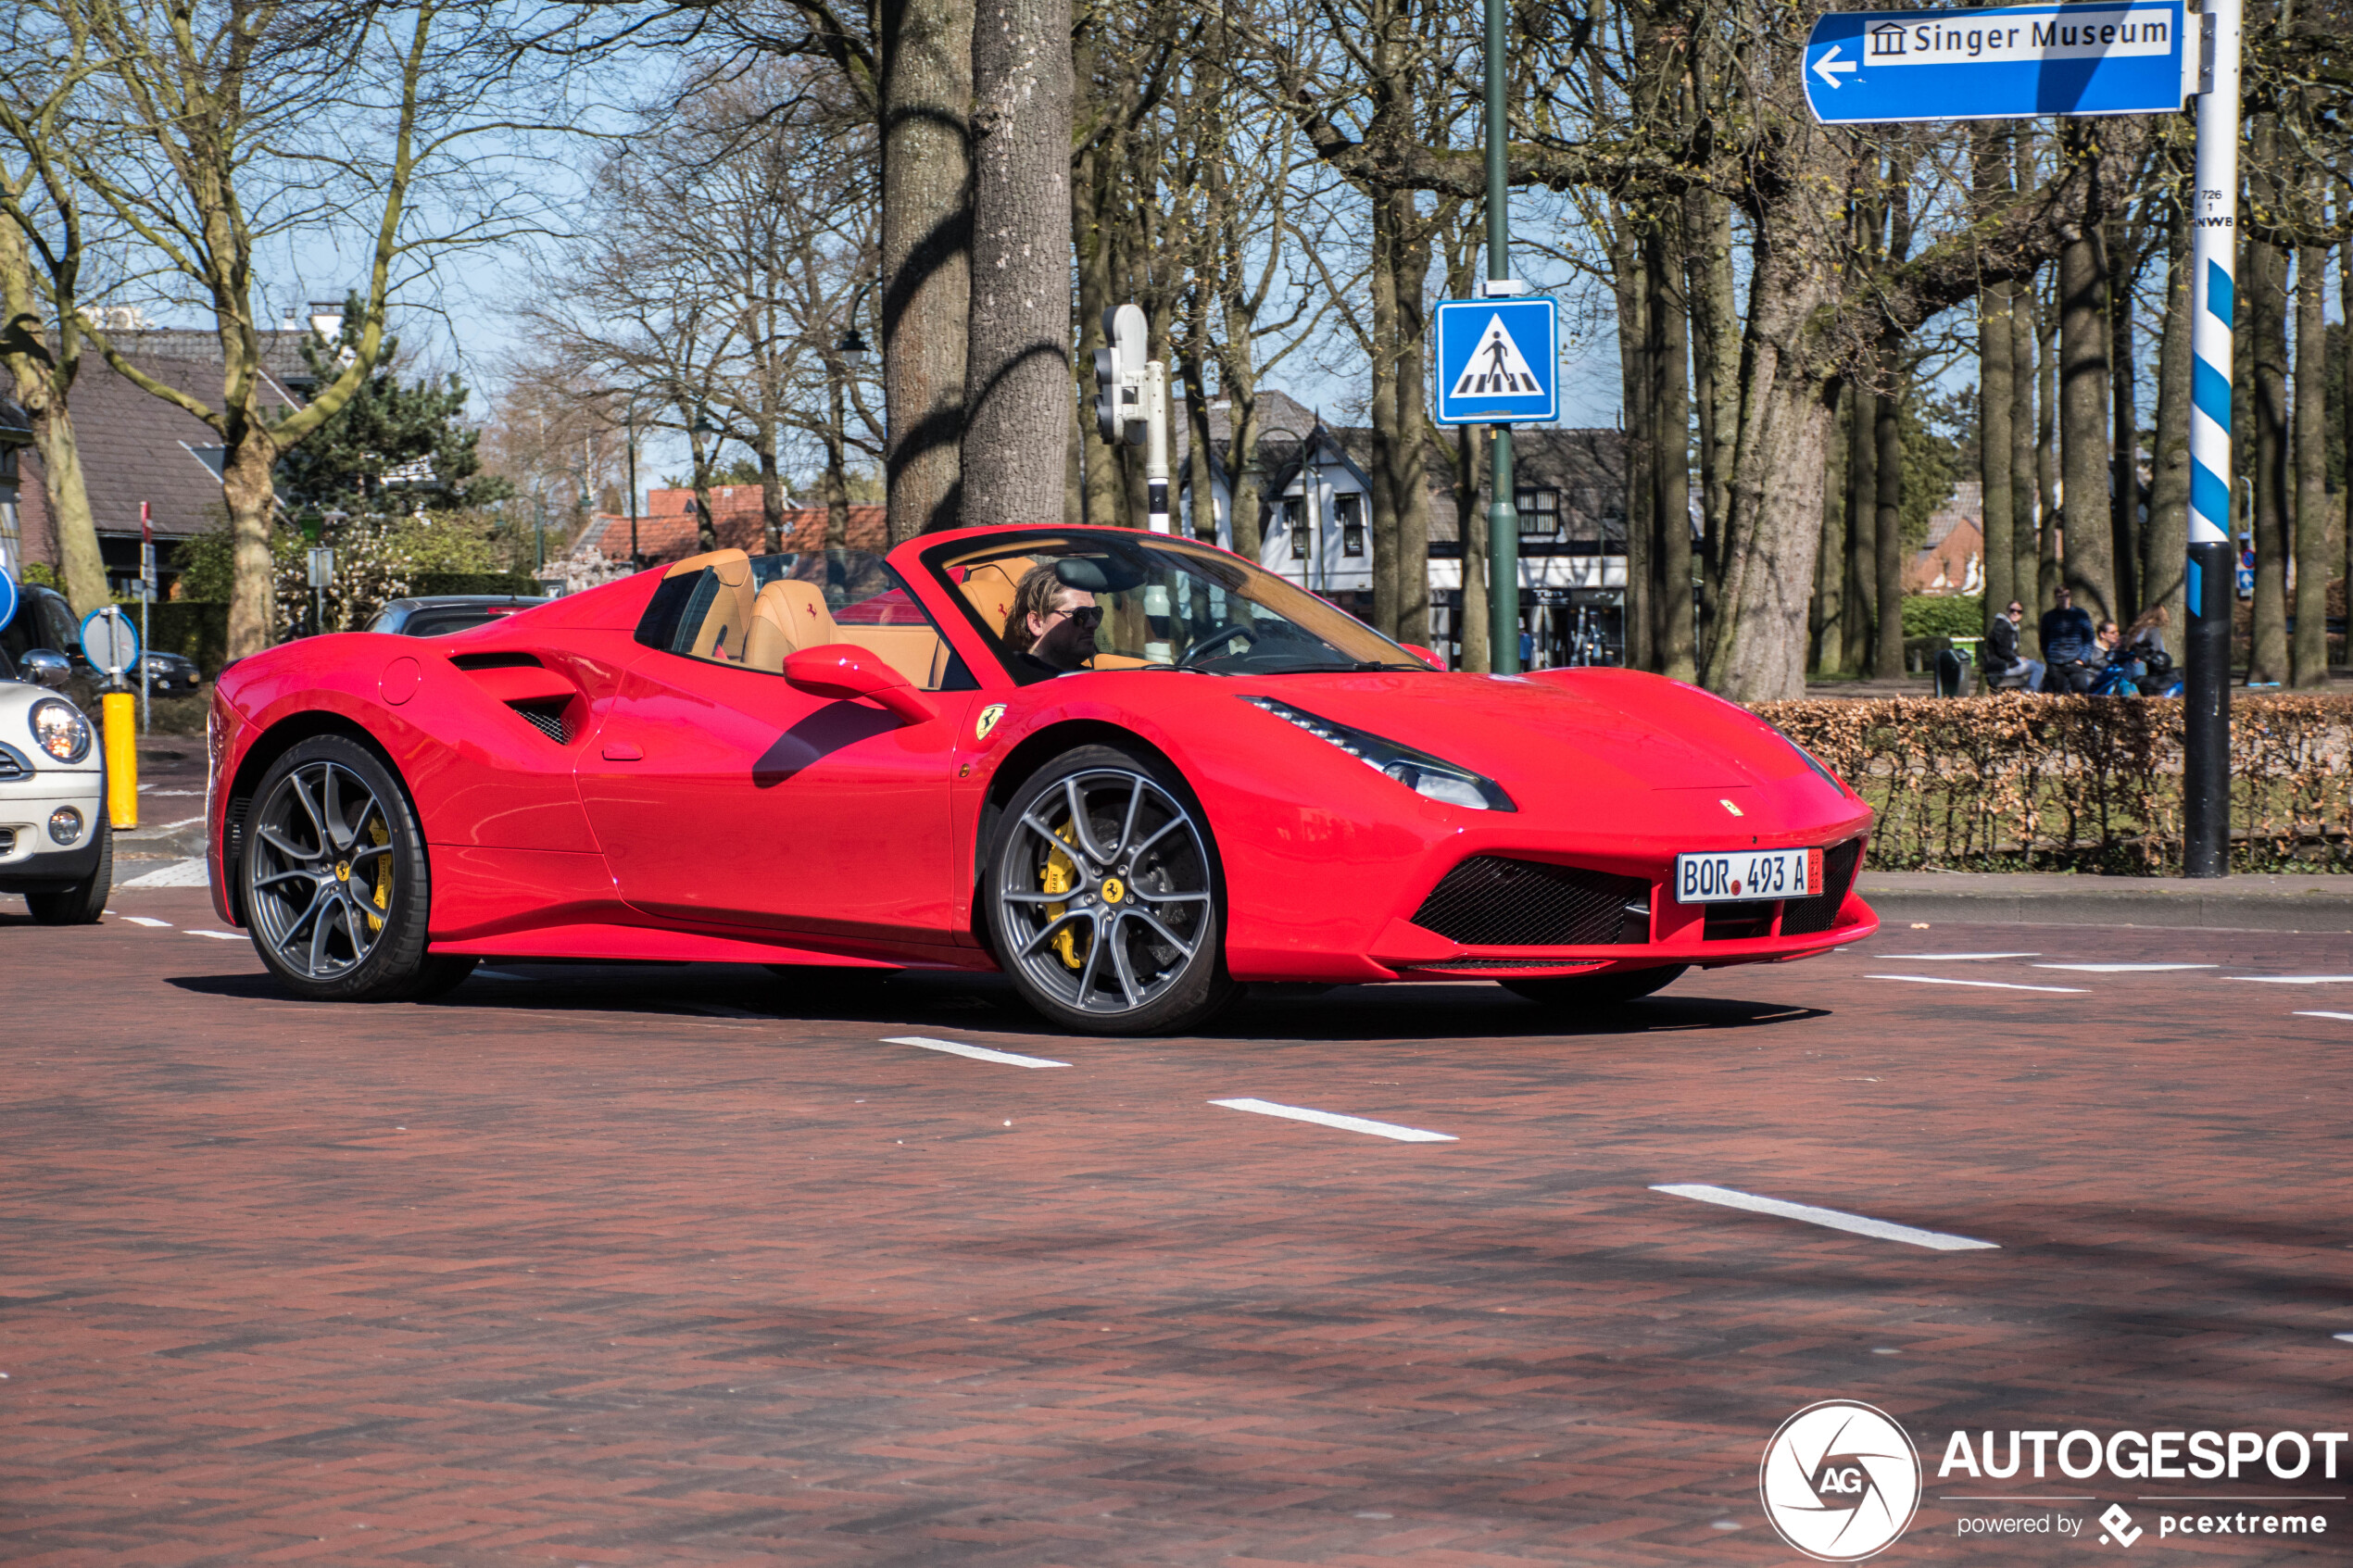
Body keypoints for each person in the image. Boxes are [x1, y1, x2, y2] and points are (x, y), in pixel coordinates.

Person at [1002, 561, 1101, 675]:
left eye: (1095, 613)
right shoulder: (1015, 677)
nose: (1093, 624)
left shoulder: (1094, 678)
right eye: (1081, 614)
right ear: (1036, 623)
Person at [2038, 585, 2098, 693]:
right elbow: (2043, 640)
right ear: (2055, 598)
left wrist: (2082, 659)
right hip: (2055, 664)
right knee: (2059, 699)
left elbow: (2089, 639)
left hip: (2075, 662)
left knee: (2081, 697)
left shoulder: (2081, 615)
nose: (2064, 599)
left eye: (2067, 595)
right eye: (2060, 596)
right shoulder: (2048, 617)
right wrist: (2049, 659)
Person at [1982, 599, 2045, 693]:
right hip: (2001, 667)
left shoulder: (2012, 627)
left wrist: (2018, 657)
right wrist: (2017, 659)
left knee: (2036, 664)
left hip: (2006, 665)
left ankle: (2028, 691)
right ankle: (2029, 693)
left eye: (2019, 611)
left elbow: (2010, 649)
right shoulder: (2002, 626)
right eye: (2012, 610)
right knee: (2039, 666)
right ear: (2007, 611)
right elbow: (2002, 651)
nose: (2015, 613)